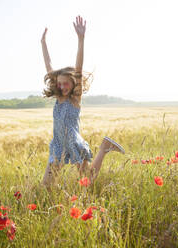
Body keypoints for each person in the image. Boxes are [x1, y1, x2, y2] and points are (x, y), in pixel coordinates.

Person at [41, 15, 125, 189]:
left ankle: (104, 148)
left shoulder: (74, 98)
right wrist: (43, 43)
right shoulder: (59, 97)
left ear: (73, 84)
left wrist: (81, 39)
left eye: (66, 83)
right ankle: (105, 146)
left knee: (87, 179)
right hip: (58, 144)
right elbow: (49, 66)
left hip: (73, 142)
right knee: (46, 186)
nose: (62, 86)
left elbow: (78, 68)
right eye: (60, 83)